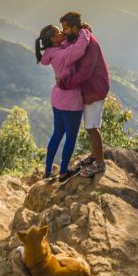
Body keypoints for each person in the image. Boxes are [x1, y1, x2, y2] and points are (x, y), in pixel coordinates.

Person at [57, 11, 110, 178]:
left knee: (92, 127)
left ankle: (100, 164)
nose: (63, 31)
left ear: (74, 27)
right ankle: (95, 155)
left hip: (95, 89)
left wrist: (64, 84)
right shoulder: (80, 37)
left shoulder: (89, 45)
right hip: (90, 89)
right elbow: (67, 42)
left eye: (65, 28)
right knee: (91, 125)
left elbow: (85, 73)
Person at [35, 24, 91, 182]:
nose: (62, 33)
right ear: (53, 39)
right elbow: (79, 49)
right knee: (71, 137)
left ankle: (47, 171)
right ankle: (64, 172)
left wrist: (77, 30)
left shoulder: (51, 52)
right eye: (59, 32)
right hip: (71, 100)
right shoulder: (63, 54)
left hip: (57, 99)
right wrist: (84, 32)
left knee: (57, 133)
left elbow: (67, 44)